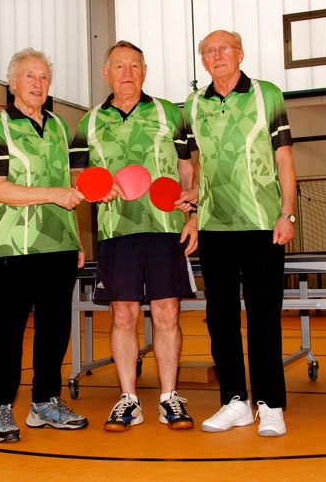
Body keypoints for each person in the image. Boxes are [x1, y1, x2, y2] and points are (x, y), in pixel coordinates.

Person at [69, 40, 199, 432]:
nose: (128, 72)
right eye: (119, 66)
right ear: (106, 73)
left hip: (165, 228)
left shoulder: (169, 113)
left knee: (167, 311)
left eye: (135, 65)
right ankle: (128, 399)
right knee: (122, 314)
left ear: (145, 71)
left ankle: (169, 397)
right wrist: (94, 185)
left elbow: (187, 168)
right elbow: (76, 174)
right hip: (115, 231)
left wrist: (192, 215)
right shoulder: (88, 122)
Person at [183, 30, 297, 437]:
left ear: (240, 54)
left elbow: (285, 159)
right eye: (209, 51)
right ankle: (235, 402)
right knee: (220, 318)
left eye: (224, 49)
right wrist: (194, 209)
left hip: (263, 223)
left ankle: (270, 404)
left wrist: (287, 213)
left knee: (264, 316)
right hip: (215, 226)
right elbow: (195, 163)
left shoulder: (268, 94)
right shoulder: (193, 104)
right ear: (203, 61)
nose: (217, 56)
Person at [0, 47, 89, 443]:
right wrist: (54, 195)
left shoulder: (59, 126)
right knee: (8, 331)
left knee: (54, 330)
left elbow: (70, 187)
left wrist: (76, 239)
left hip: (60, 246)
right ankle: (0, 406)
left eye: (43, 76)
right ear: (12, 83)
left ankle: (44, 402)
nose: (38, 83)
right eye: (30, 76)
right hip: (17, 248)